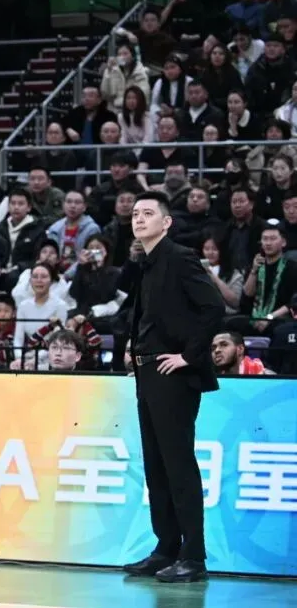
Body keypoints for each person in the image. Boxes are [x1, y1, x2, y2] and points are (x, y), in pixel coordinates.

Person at [123, 191, 224, 583]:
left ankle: (193, 556)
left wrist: (189, 356)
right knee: (156, 465)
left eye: (148, 213)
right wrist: (135, 349)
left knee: (178, 464)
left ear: (166, 222)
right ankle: (165, 547)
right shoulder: (144, 262)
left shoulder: (179, 257)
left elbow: (213, 306)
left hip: (174, 375)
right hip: (147, 372)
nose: (139, 218)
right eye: (135, 213)